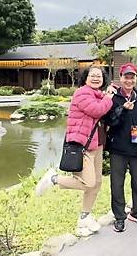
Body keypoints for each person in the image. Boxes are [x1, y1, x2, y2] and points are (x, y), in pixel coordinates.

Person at [35, 65, 114, 237]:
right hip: (82, 146)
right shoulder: (82, 93)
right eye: (92, 75)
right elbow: (97, 110)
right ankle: (53, 179)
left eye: (99, 76)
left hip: (97, 144)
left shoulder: (98, 94)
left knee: (98, 183)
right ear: (85, 78)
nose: (95, 78)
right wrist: (109, 97)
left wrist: (107, 96)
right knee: (88, 183)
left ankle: (84, 219)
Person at [103, 63, 137, 233]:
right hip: (118, 148)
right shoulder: (113, 98)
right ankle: (119, 217)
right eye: (126, 77)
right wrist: (122, 110)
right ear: (121, 78)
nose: (129, 80)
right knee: (117, 184)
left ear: (136, 79)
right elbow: (109, 121)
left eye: (132, 77)